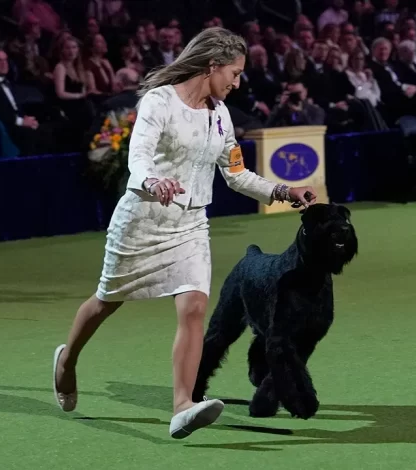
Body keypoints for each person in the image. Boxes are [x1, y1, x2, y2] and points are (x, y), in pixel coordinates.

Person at [52, 27, 317, 439]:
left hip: (191, 224)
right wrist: (154, 181)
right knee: (106, 300)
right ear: (212, 66)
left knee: (194, 306)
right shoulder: (158, 101)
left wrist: (284, 190)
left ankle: (182, 406)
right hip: (143, 219)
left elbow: (236, 174)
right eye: (233, 72)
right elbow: (137, 158)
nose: (237, 81)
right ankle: (67, 361)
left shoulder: (220, 114)